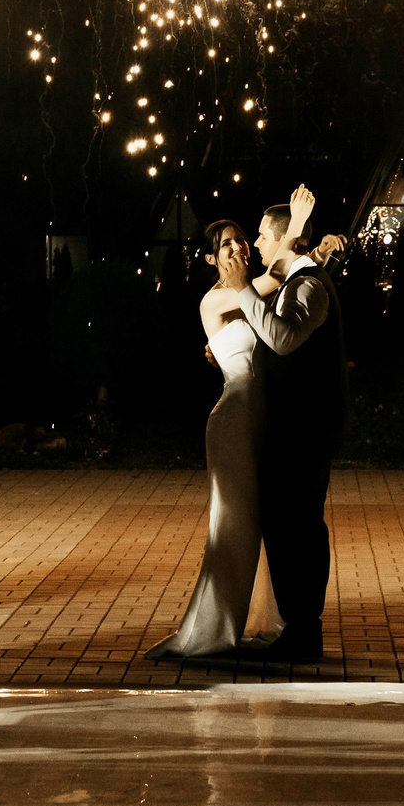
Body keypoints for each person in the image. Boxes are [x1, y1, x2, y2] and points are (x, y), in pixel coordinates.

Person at [221, 185, 347, 664]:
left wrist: (242, 291)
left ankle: (302, 630)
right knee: (287, 525)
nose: (255, 243)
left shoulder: (310, 285)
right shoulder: (299, 280)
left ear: (279, 241)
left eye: (260, 235)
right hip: (294, 430)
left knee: (298, 528)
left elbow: (281, 338)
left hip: (305, 432)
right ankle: (299, 629)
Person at [150, 219, 286, 659]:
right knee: (233, 526)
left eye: (241, 240)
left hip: (260, 417)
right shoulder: (220, 297)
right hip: (233, 419)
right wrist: (303, 234)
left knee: (256, 524)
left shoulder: (250, 293)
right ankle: (213, 628)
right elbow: (278, 275)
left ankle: (252, 617)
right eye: (226, 245)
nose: (238, 247)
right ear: (211, 258)